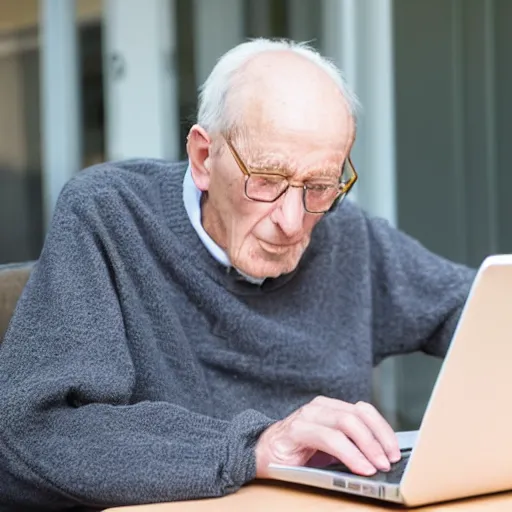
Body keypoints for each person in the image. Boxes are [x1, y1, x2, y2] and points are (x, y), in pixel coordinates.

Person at [0, 39, 475, 510]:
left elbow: (473, 310)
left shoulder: (345, 233)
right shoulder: (108, 216)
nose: (292, 221)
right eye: (267, 180)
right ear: (204, 158)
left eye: (320, 185)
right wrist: (254, 448)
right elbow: (34, 430)